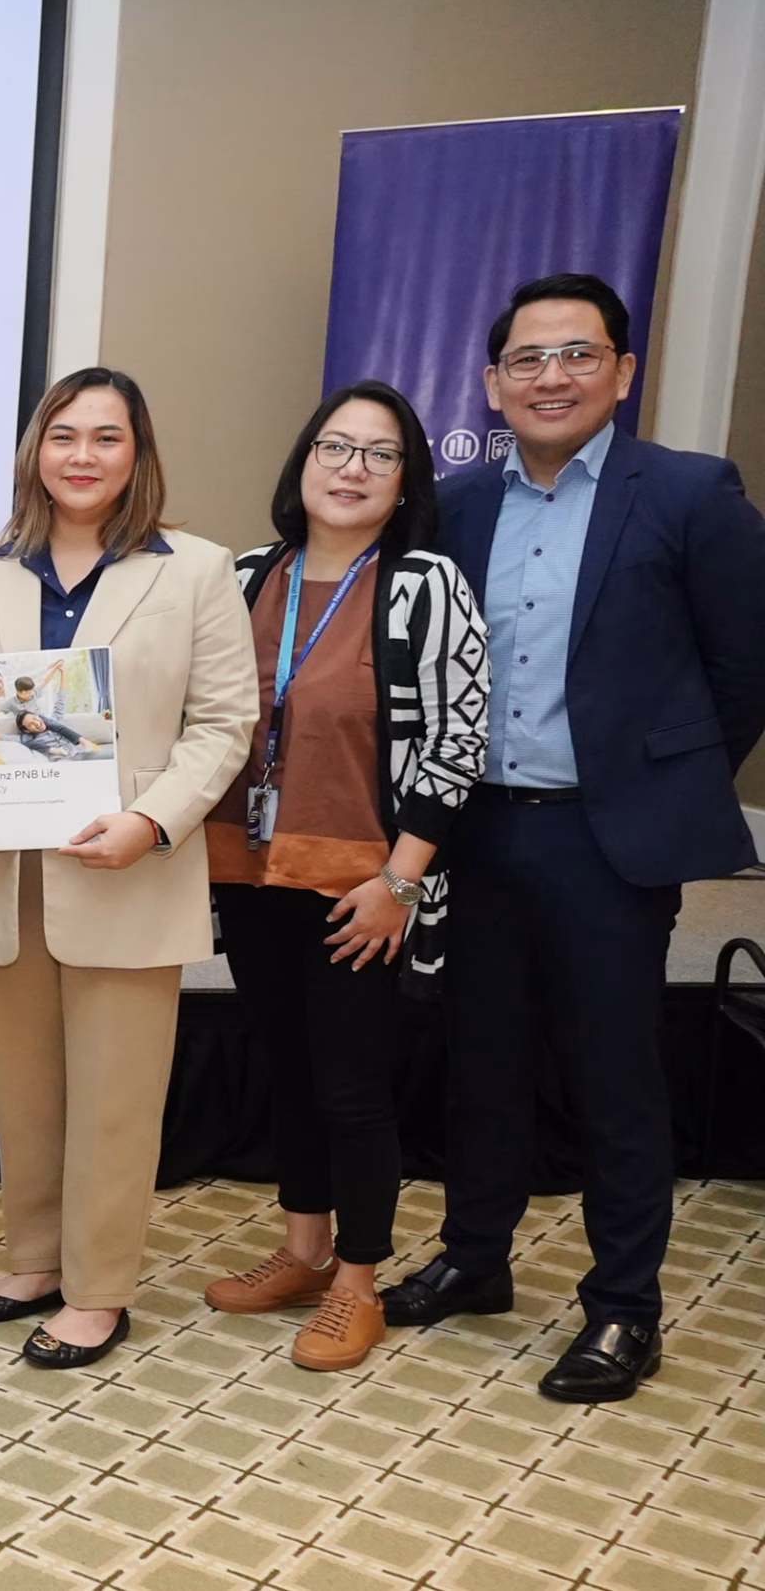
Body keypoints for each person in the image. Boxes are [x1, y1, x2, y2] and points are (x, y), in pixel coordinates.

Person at [385, 273, 765, 1402]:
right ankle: (475, 1256)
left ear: (622, 370)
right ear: (492, 382)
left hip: (606, 842)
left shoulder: (689, 492)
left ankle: (624, 1307)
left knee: (614, 1076)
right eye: (528, 359)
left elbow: (745, 664)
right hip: (475, 832)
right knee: (482, 1061)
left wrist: (660, 778)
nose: (551, 376)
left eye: (578, 354)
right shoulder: (456, 504)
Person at [0, 366, 256, 1369]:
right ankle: (33, 1258)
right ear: (35, 448)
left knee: (116, 1099)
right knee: (23, 1089)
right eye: (63, 434)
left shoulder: (195, 569)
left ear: (137, 452)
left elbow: (224, 722)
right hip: (6, 877)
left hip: (127, 870)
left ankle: (99, 1289)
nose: (81, 455)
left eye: (106, 437)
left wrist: (151, 823)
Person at [198, 382, 488, 1371]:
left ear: (406, 480)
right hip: (248, 872)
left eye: (379, 453)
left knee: (352, 1086)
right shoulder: (246, 575)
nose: (352, 468)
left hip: (362, 888)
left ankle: (357, 1282)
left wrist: (400, 883)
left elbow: (457, 742)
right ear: (304, 461)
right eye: (335, 446)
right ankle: (305, 1249)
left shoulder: (425, 584)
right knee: (288, 1065)